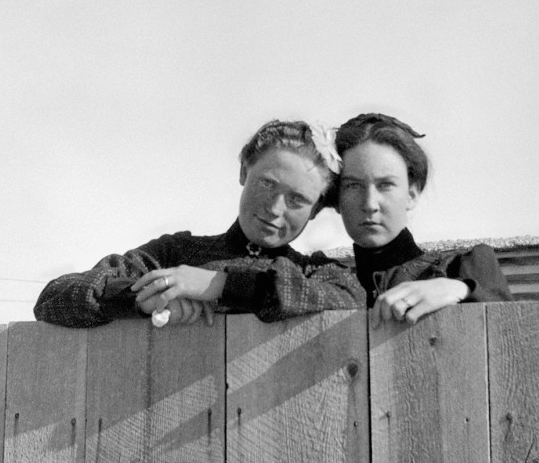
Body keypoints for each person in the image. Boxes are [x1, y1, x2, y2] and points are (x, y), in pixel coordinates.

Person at [34, 120, 364, 327]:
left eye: (297, 200)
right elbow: (53, 297)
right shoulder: (174, 254)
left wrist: (219, 285)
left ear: (316, 210)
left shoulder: (313, 274)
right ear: (244, 172)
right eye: (267, 183)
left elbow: (353, 299)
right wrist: (144, 298)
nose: (275, 208)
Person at [332, 112, 513, 325]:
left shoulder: (459, 269)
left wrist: (462, 289)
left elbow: (511, 328)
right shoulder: (326, 282)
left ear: (412, 194)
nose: (370, 204)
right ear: (336, 198)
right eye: (353, 185)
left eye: (386, 185)